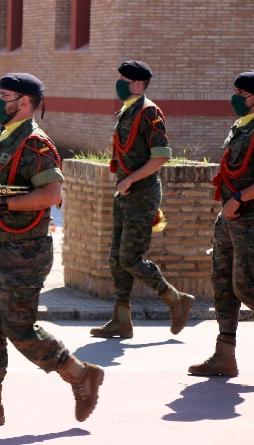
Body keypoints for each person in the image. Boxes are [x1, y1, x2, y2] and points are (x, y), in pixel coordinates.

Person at [0, 73, 104, 425]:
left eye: (4, 96)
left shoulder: (35, 143)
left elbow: (52, 195)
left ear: (25, 103)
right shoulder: (10, 139)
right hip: (0, 247)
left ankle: (80, 374)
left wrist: (0, 207)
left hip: (25, 251)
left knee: (19, 326)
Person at [189, 70, 254, 377]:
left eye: (241, 93)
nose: (236, 97)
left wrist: (239, 198)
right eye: (235, 90)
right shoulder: (242, 127)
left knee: (245, 288)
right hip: (230, 217)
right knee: (222, 284)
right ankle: (225, 356)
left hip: (253, 218)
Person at [90, 60, 194, 339]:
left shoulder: (149, 112)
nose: (119, 82)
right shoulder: (128, 111)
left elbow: (161, 156)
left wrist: (130, 180)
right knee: (116, 258)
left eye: (124, 78)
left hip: (142, 195)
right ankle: (121, 320)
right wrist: (124, 182)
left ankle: (175, 299)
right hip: (126, 192)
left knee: (129, 257)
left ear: (137, 84)